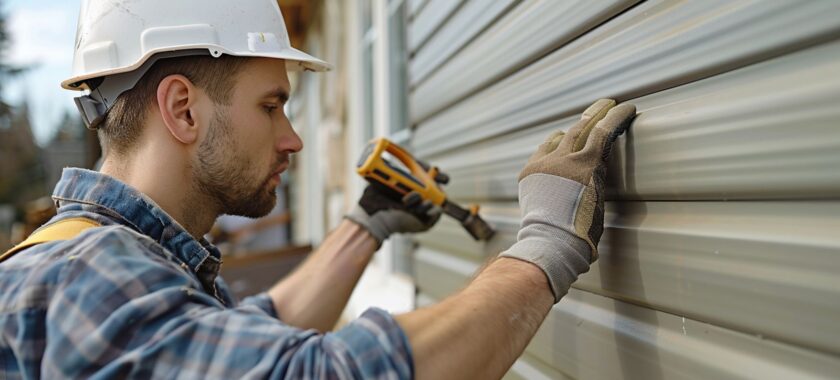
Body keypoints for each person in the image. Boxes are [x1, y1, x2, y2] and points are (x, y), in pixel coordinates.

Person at [0, 0, 636, 378]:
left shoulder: (108, 260)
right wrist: (544, 251)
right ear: (183, 111)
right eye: (272, 105)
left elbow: (235, 342)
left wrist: (366, 227)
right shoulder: (93, 275)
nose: (292, 138)